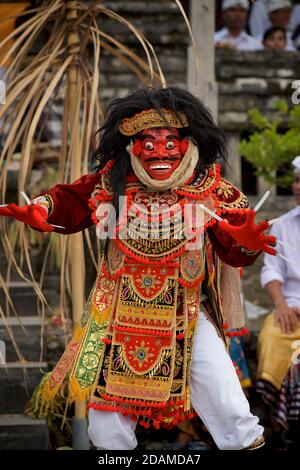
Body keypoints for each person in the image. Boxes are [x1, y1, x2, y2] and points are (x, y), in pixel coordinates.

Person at [0, 87, 276, 450]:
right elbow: (68, 201)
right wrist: (43, 212)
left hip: (186, 315)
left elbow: (236, 247)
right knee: (106, 430)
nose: (159, 151)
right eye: (148, 142)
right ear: (130, 145)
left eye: (170, 141)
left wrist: (245, 243)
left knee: (232, 411)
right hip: (117, 315)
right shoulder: (112, 182)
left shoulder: (210, 188)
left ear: (189, 144)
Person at [257, 155, 300, 448]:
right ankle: (277, 424)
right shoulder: (282, 225)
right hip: (290, 309)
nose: (298, 187)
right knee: (270, 336)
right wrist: (281, 305)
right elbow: (271, 269)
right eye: (297, 181)